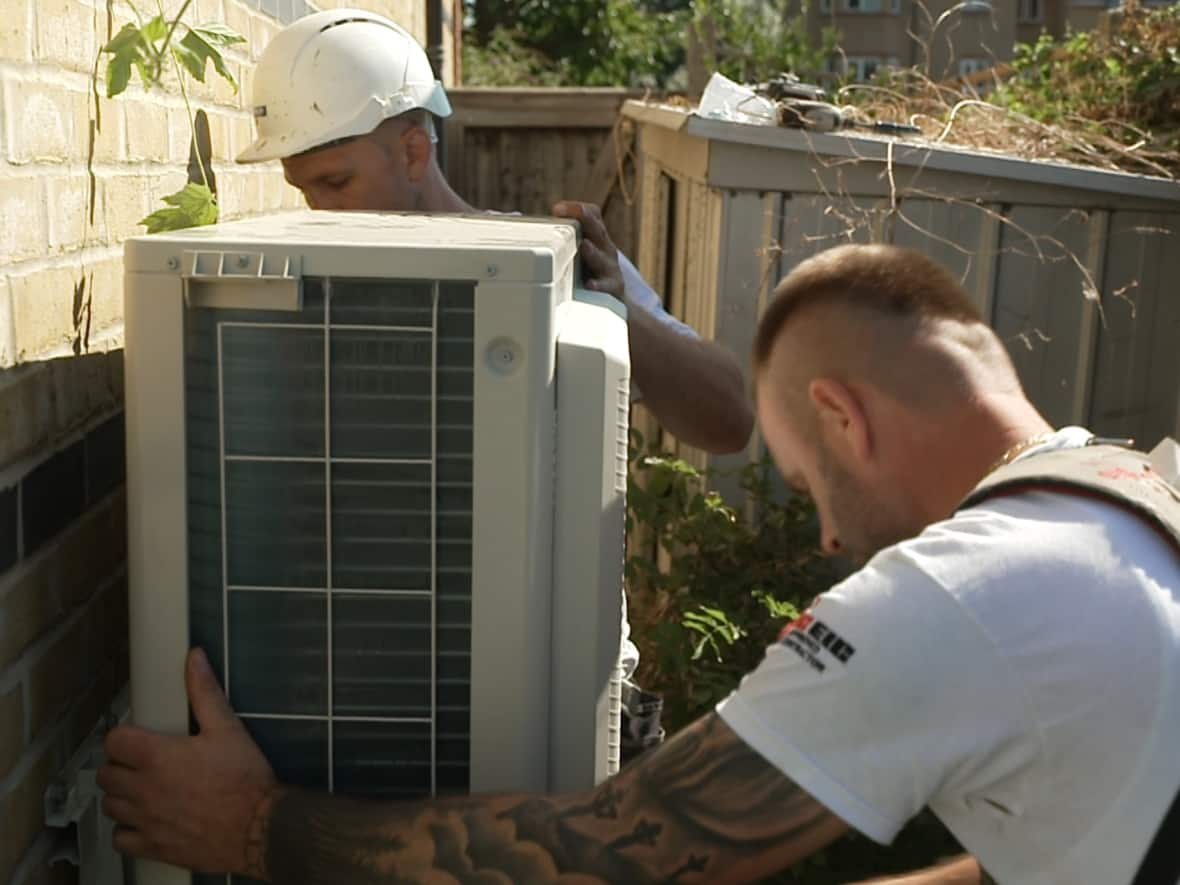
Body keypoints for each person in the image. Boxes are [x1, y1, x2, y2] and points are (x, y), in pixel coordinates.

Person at [99, 243, 1180, 883]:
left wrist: (250, 826)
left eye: (807, 489)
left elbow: (599, 857)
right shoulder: (1126, 501)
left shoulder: (955, 594)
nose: (828, 542)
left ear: (840, 416)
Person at [237, 9, 753, 752]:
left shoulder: (552, 265)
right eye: (304, 190)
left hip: (560, 695)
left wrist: (605, 313)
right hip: (381, 691)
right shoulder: (310, 297)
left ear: (413, 151)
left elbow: (728, 418)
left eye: (336, 182)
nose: (319, 210)